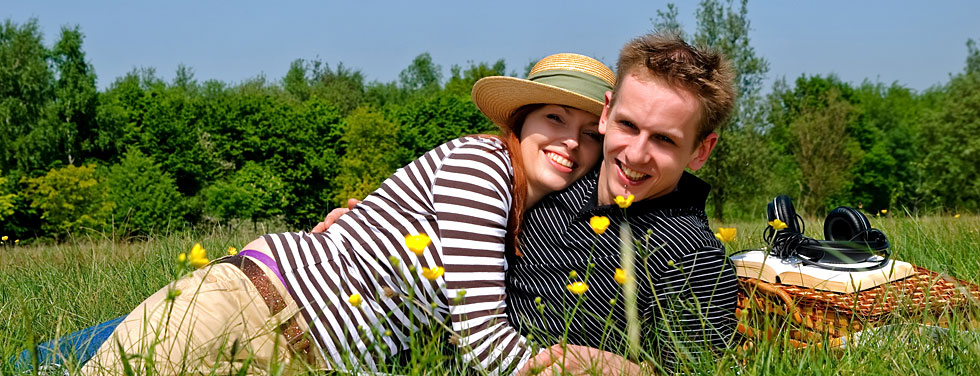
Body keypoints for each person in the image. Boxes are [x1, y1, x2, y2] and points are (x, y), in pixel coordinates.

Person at [80, 53, 622, 376]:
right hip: (245, 317)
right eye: (554, 118)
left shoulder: (522, 213)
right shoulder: (482, 167)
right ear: (521, 122)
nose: (570, 143)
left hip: (296, 352)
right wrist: (594, 365)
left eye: (589, 135)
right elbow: (483, 339)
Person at [505, 31, 739, 372]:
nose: (636, 154)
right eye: (628, 125)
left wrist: (615, 368)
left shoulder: (691, 256)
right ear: (606, 113)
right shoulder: (562, 174)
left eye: (663, 139)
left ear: (701, 151)